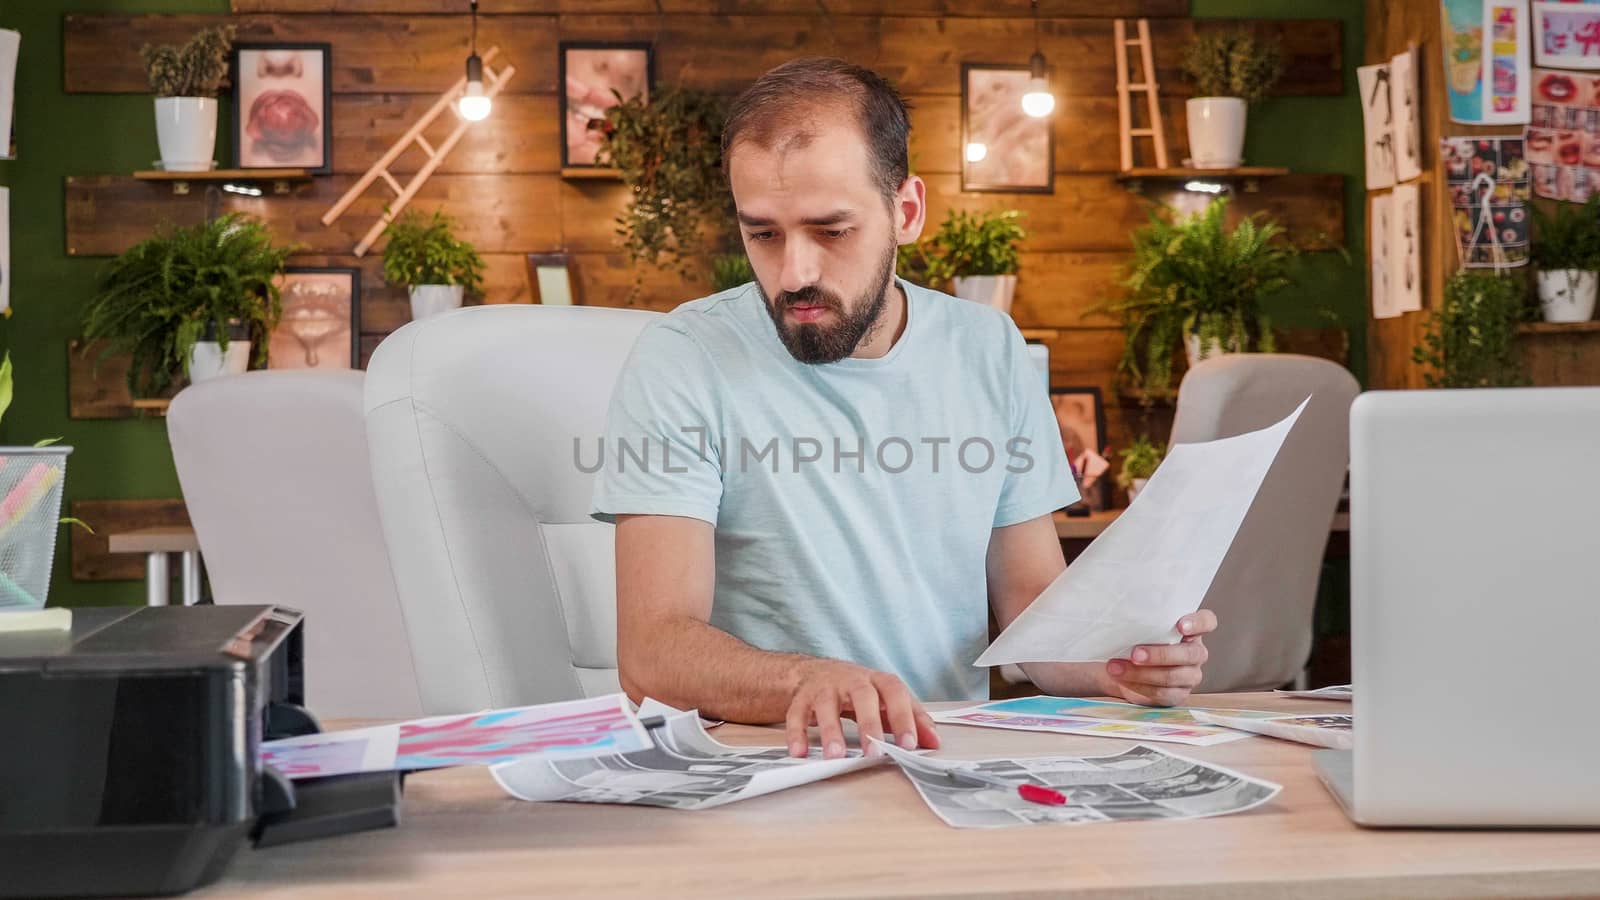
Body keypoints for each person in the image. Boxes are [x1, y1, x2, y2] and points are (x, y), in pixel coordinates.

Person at [592, 58, 1218, 760]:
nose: (795, 272)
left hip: (948, 762)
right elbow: (651, 652)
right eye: (763, 233)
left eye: (831, 230)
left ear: (906, 213)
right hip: (768, 769)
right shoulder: (683, 357)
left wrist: (1117, 663)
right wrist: (808, 681)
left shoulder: (989, 346)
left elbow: (1031, 609)